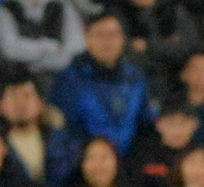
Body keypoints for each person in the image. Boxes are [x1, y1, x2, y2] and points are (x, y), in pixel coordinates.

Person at [51, 12, 155, 156]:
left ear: (123, 39)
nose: (107, 42)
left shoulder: (135, 78)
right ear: (87, 39)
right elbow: (63, 132)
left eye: (113, 35)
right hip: (87, 165)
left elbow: (145, 123)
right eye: (100, 35)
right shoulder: (70, 80)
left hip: (130, 167)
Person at [0, 0, 86, 85]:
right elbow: (11, 49)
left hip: (60, 82)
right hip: (14, 81)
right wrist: (49, 47)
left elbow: (76, 47)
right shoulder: (2, 11)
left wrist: (33, 61)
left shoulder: (63, 7)